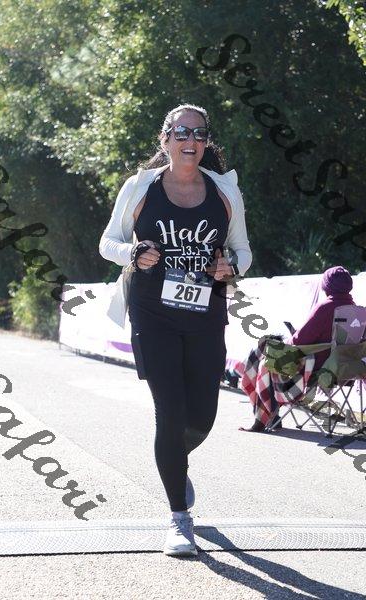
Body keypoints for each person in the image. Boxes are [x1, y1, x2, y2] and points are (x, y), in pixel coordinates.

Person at [99, 103, 252, 556]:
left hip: (206, 315)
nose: (190, 140)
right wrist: (132, 253)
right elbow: (108, 242)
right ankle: (179, 518)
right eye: (181, 132)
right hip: (153, 314)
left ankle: (175, 462)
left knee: (201, 417)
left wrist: (230, 266)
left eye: (199, 133)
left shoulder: (225, 191)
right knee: (169, 412)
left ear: (206, 143)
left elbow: (243, 251)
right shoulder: (140, 187)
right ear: (165, 139)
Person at [239, 265, 355, 433]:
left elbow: (299, 341)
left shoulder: (325, 307)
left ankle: (264, 418)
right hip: (343, 368)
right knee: (265, 353)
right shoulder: (358, 311)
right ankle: (270, 415)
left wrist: (288, 338)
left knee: (264, 356)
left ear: (327, 286)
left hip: (314, 368)